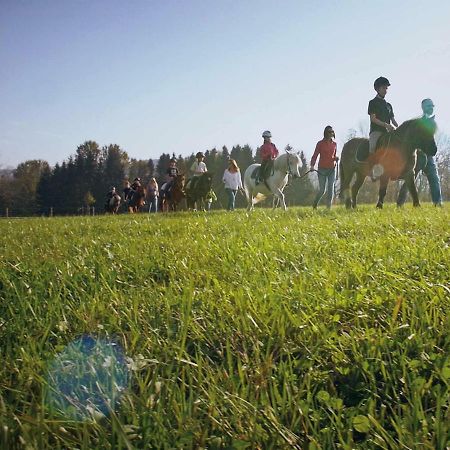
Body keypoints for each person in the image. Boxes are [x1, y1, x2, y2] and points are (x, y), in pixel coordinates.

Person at [397, 98, 442, 207]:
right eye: (428, 106)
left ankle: (438, 203)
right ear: (422, 107)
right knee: (410, 179)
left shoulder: (433, 122)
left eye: (432, 106)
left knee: (434, 178)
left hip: (429, 156)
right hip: (419, 156)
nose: (431, 108)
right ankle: (400, 203)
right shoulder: (417, 123)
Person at [310, 126, 339, 209]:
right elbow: (315, 155)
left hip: (332, 169)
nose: (331, 133)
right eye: (329, 132)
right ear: (326, 133)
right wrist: (312, 165)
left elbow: (332, 156)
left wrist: (335, 158)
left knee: (331, 188)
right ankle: (315, 204)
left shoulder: (334, 144)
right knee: (322, 190)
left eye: (332, 132)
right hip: (322, 169)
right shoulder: (320, 144)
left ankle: (328, 208)